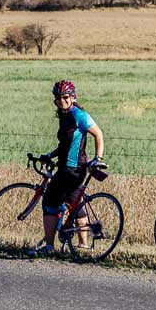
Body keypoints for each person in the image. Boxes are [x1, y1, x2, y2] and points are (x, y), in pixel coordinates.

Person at [26, 80, 104, 257]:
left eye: (65, 97)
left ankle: (48, 248)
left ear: (73, 97)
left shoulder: (79, 115)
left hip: (71, 169)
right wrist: (50, 155)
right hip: (72, 169)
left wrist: (98, 158)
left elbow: (98, 134)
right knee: (75, 202)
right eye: (58, 98)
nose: (61, 101)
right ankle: (84, 246)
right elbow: (65, 144)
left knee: (49, 202)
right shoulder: (65, 116)